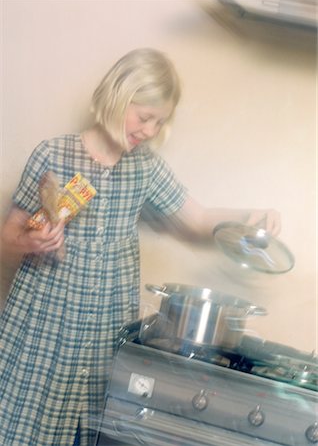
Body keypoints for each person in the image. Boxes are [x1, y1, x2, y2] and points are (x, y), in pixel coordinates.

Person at [0, 48, 280, 446]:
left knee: (89, 430)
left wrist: (250, 215)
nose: (149, 131)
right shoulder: (53, 154)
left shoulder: (143, 167)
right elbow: (6, 240)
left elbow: (197, 219)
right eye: (144, 117)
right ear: (117, 96)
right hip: (42, 324)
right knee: (21, 426)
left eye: (159, 122)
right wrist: (32, 239)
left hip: (103, 332)